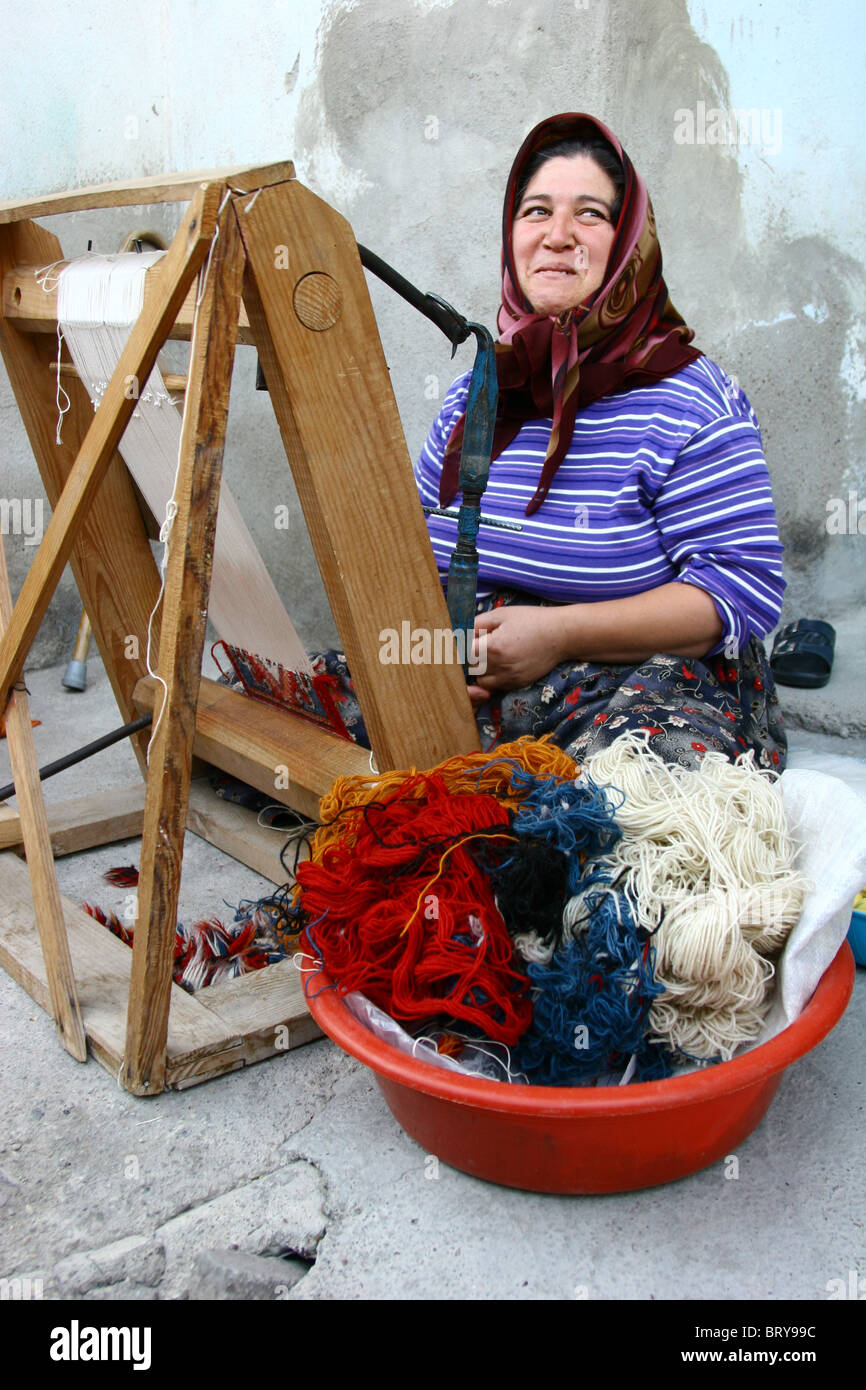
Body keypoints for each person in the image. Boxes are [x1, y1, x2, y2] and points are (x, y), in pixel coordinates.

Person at [312, 112, 786, 772]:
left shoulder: (690, 401)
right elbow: (415, 544)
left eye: (589, 215)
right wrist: (434, 652)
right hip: (479, 678)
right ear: (512, 237)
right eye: (536, 211)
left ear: (628, 245)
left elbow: (740, 592)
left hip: (632, 686)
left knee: (634, 791)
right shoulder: (480, 395)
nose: (557, 236)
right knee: (296, 721)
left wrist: (557, 634)